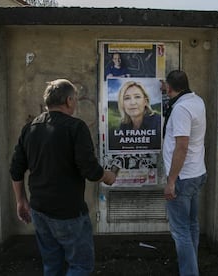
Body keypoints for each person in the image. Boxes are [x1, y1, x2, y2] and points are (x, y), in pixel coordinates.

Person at [9, 79, 116, 276]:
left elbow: (16, 169)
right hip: (68, 213)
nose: (75, 103)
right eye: (75, 99)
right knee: (81, 266)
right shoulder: (76, 127)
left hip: (39, 209)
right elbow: (90, 170)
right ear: (68, 100)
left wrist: (21, 201)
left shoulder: (30, 127)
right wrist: (107, 176)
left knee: (52, 265)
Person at [163, 70, 207, 276]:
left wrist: (171, 181)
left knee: (180, 231)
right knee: (191, 226)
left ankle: (189, 272)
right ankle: (191, 265)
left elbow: (182, 146)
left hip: (183, 177)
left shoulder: (181, 109)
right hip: (197, 173)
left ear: (169, 88)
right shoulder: (197, 101)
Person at [110, 81, 161, 150]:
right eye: (127, 98)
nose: (132, 103)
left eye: (137, 97)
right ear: (122, 103)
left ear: (145, 101)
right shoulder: (124, 125)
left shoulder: (158, 122)